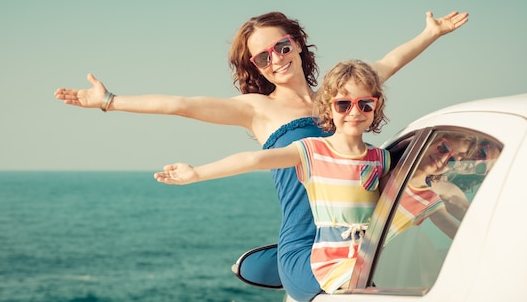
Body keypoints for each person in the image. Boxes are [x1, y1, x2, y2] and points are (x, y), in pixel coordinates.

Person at [54, 10, 469, 301]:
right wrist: (109, 100)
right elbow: (181, 103)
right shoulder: (257, 108)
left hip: (357, 236)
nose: (276, 59)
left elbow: (386, 63)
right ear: (255, 65)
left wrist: (431, 34)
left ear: (298, 44)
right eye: (262, 56)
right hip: (309, 248)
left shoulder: (341, 93)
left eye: (282, 46)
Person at [154, 60, 391, 294]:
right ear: (329, 107)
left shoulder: (381, 158)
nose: (355, 112)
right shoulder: (312, 151)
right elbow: (254, 160)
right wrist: (196, 173)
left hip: (366, 261)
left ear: (376, 106)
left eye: (365, 104)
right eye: (343, 105)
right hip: (330, 265)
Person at [386, 133, 476, 242]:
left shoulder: (429, 200)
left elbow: (451, 229)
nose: (442, 158)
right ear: (431, 140)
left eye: (451, 160)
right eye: (443, 147)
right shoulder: (384, 164)